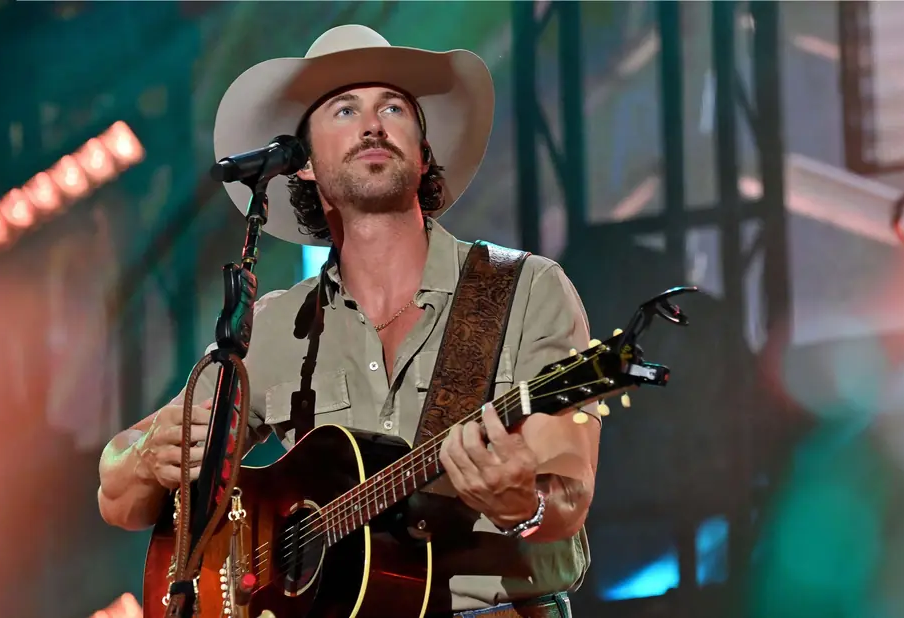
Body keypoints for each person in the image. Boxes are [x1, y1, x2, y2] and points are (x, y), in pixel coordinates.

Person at [97, 24, 601, 617]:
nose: (373, 124)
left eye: (392, 107)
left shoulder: (525, 288)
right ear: (303, 163)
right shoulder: (276, 325)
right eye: (344, 109)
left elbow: (568, 493)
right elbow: (120, 497)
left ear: (423, 150)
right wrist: (145, 457)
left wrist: (523, 503)